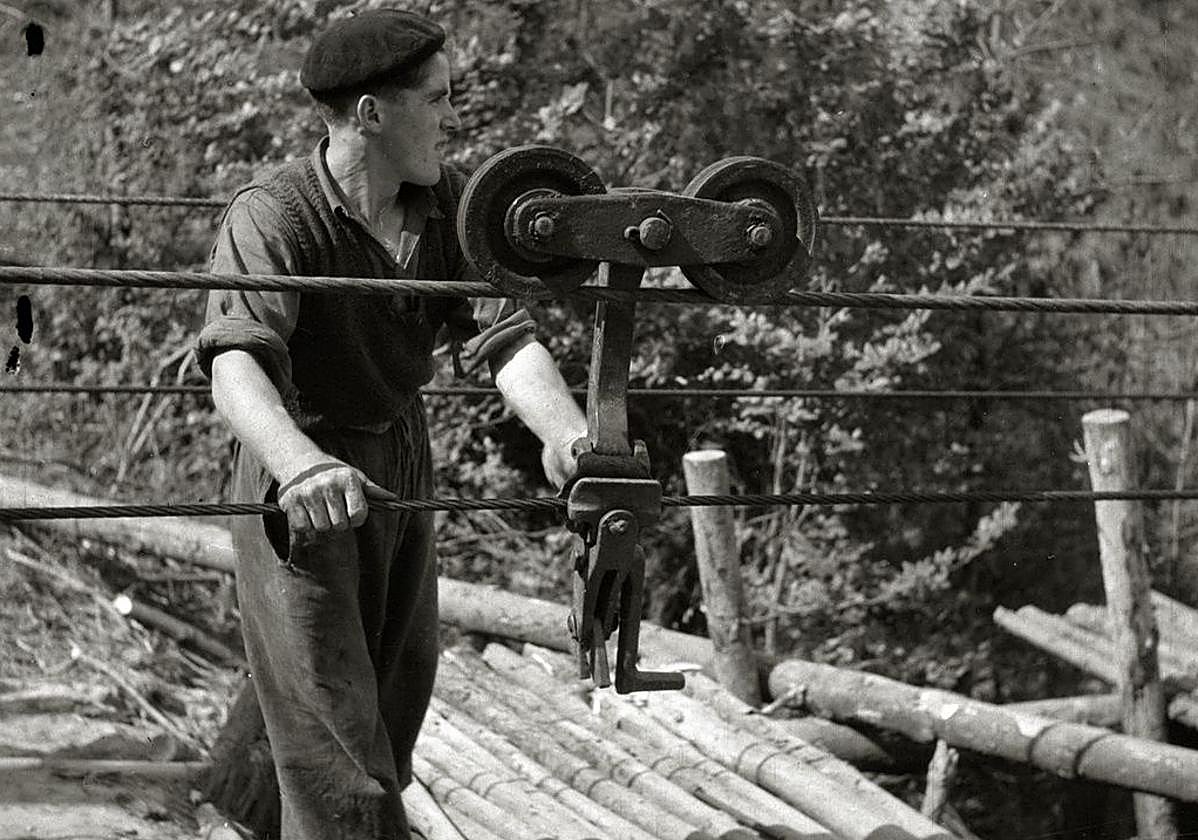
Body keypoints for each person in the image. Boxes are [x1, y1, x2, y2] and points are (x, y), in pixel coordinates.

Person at [193, 9, 588, 839]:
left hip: (401, 457)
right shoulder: (273, 216)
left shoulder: (448, 206)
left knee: (394, 687)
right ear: (371, 114)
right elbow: (237, 369)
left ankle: (236, 811)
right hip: (301, 470)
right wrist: (299, 465)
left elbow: (505, 339)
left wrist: (567, 435)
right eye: (437, 99)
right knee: (339, 748)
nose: (453, 117)